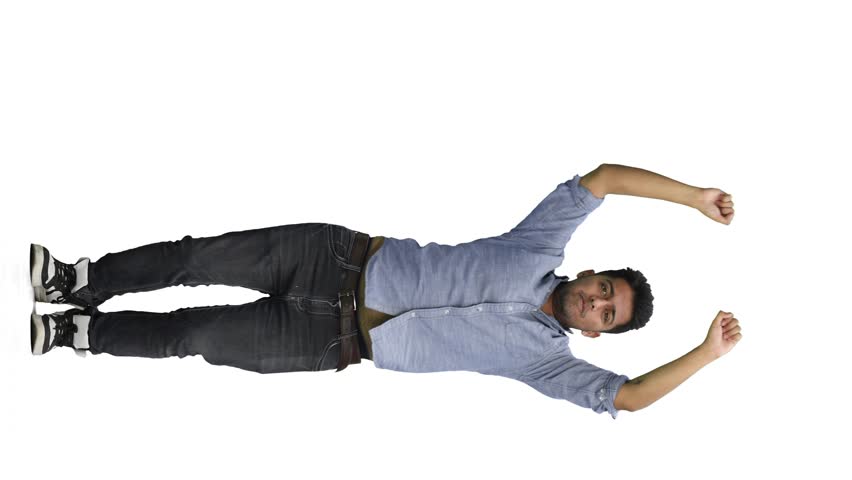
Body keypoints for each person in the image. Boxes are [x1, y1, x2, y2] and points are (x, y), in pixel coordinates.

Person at [30, 164, 742, 418]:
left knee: (195, 336)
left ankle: (78, 334)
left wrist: (707, 354)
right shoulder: (539, 247)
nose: (596, 304)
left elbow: (630, 397)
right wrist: (693, 195)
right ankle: (77, 281)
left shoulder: (547, 364)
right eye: (604, 290)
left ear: (595, 335)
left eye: (607, 316)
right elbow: (606, 178)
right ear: (591, 274)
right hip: (330, 259)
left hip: (330, 343)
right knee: (196, 258)